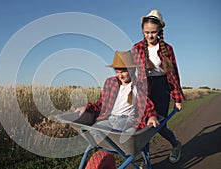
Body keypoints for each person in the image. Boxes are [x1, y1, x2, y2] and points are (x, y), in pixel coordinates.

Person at [131, 9, 185, 164]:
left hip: (162, 87)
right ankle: (146, 160)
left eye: (153, 32)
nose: (150, 36)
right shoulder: (137, 48)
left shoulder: (167, 49)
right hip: (144, 87)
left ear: (160, 30)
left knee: (159, 125)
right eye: (147, 32)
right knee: (143, 125)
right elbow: (131, 71)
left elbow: (173, 75)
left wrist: (177, 98)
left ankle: (175, 144)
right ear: (142, 30)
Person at [75, 50, 159, 132]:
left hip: (127, 119)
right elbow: (101, 104)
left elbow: (146, 105)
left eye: (123, 72)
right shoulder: (110, 83)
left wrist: (152, 116)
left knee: (115, 130)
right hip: (110, 118)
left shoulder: (139, 85)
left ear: (132, 70)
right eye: (117, 72)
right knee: (96, 130)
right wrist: (86, 107)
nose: (120, 75)